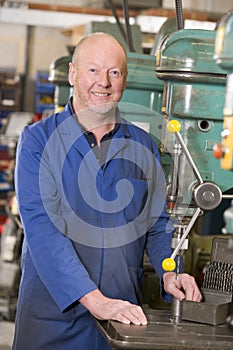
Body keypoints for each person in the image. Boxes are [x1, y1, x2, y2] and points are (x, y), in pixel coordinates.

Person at [12, 33, 202, 350]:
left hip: (119, 322)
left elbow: (156, 225)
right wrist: (95, 301)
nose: (104, 82)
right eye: (93, 71)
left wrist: (171, 273)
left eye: (114, 72)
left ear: (124, 80)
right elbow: (42, 229)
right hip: (52, 324)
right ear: (73, 73)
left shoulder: (142, 147)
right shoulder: (38, 142)